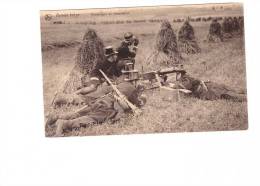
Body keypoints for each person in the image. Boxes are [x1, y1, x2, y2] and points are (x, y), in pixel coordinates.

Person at [46, 82, 146, 136]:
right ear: (138, 91)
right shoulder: (132, 93)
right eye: (140, 94)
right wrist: (119, 116)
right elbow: (122, 105)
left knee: (81, 113)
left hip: (99, 100)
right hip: (107, 107)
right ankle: (64, 124)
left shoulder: (124, 84)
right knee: (90, 118)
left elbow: (107, 89)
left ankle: (56, 117)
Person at [170, 71, 247, 102]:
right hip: (207, 85)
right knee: (228, 89)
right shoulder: (187, 77)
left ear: (179, 74)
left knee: (225, 93)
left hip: (205, 90)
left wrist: (174, 85)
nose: (176, 76)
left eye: (177, 74)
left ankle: (245, 97)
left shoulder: (185, 79)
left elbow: (187, 85)